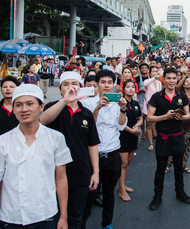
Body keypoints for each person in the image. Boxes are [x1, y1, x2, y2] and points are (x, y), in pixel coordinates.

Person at [0, 84, 72, 228]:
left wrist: (63, 216)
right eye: (18, 105)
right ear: (13, 109)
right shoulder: (3, 141)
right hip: (11, 217)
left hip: (46, 214)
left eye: (30, 104)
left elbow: (61, 177)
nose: (24, 109)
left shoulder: (55, 138)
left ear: (41, 107)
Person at [40, 72, 100, 228]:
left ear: (80, 87)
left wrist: (95, 172)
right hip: (54, 174)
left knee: (76, 219)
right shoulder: (53, 107)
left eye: (74, 83)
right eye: (66, 84)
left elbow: (92, 144)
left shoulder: (86, 113)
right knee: (54, 218)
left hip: (80, 173)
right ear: (60, 89)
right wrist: (64, 102)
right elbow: (42, 121)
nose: (70, 87)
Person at [82, 70, 127, 229]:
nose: (106, 86)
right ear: (98, 84)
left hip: (113, 154)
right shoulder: (87, 103)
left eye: (109, 82)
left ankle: (107, 223)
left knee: (109, 193)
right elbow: (87, 128)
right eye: (103, 82)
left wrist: (122, 109)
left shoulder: (117, 103)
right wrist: (97, 108)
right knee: (89, 193)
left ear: (114, 84)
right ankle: (82, 223)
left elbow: (121, 126)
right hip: (93, 156)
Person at [147, 68, 190, 210]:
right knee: (160, 170)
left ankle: (180, 193)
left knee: (179, 169)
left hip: (178, 137)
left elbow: (188, 115)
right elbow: (149, 117)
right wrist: (165, 117)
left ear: (177, 79)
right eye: (169, 78)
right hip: (162, 137)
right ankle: (157, 196)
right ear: (164, 79)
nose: (172, 81)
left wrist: (181, 117)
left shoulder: (182, 96)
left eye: (174, 78)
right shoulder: (156, 97)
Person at [168, 72, 190, 173]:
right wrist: (185, 77)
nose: (188, 83)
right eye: (186, 82)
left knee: (186, 144)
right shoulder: (180, 93)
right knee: (174, 143)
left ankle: (183, 165)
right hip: (178, 122)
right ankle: (168, 163)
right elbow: (177, 87)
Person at [118, 80, 143, 202]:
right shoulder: (120, 103)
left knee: (128, 162)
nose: (131, 89)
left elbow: (140, 118)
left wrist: (137, 126)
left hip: (133, 135)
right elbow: (118, 122)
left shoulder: (136, 103)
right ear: (123, 89)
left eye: (133, 87)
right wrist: (131, 130)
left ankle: (122, 184)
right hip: (122, 135)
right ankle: (121, 190)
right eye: (128, 87)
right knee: (123, 163)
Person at [143, 66, 162, 151]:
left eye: (156, 71)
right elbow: (145, 84)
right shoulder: (147, 81)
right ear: (149, 73)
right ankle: (150, 143)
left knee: (159, 122)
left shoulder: (159, 83)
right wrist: (154, 77)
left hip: (158, 105)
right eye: (153, 71)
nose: (155, 73)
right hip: (149, 105)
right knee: (149, 124)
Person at [135, 63, 150, 139]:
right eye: (142, 68)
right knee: (141, 117)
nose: (144, 69)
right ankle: (143, 132)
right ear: (140, 69)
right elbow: (135, 90)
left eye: (145, 68)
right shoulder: (137, 78)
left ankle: (148, 131)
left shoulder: (150, 78)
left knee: (148, 117)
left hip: (149, 100)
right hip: (140, 100)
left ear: (148, 69)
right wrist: (141, 90)